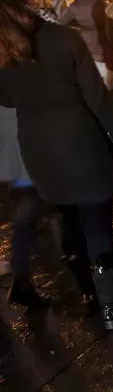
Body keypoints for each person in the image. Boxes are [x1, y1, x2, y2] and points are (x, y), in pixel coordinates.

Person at [0, 0, 113, 330]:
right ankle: (111, 305)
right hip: (82, 144)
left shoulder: (4, 51)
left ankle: (88, 294)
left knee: (68, 220)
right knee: (97, 226)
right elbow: (98, 98)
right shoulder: (63, 37)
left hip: (39, 148)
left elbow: (6, 99)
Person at [0, 105, 46, 309]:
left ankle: (22, 282)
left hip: (15, 162)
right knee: (26, 218)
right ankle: (21, 284)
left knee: (26, 217)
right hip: (22, 162)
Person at [58, 0, 110, 82]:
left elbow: (61, 22)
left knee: (97, 71)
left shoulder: (75, 6)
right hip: (107, 39)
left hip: (89, 40)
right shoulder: (101, 1)